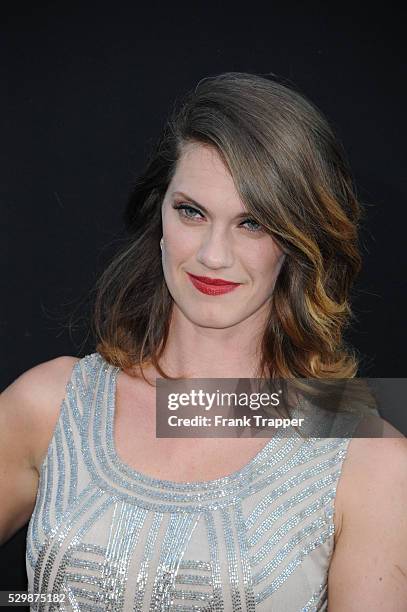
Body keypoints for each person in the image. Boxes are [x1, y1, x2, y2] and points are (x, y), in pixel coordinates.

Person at [1, 72, 406, 611]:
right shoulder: (51, 406)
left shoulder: (367, 457)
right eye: (192, 211)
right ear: (161, 215)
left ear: (299, 239)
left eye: (253, 223)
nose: (214, 255)